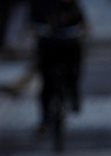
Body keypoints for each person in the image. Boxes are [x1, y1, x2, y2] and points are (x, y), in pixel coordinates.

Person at [29, 0, 87, 133]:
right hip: (48, 44)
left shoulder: (69, 4)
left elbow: (80, 20)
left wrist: (80, 30)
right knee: (46, 82)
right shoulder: (39, 5)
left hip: (68, 43)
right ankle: (45, 118)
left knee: (74, 67)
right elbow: (32, 22)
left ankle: (73, 94)